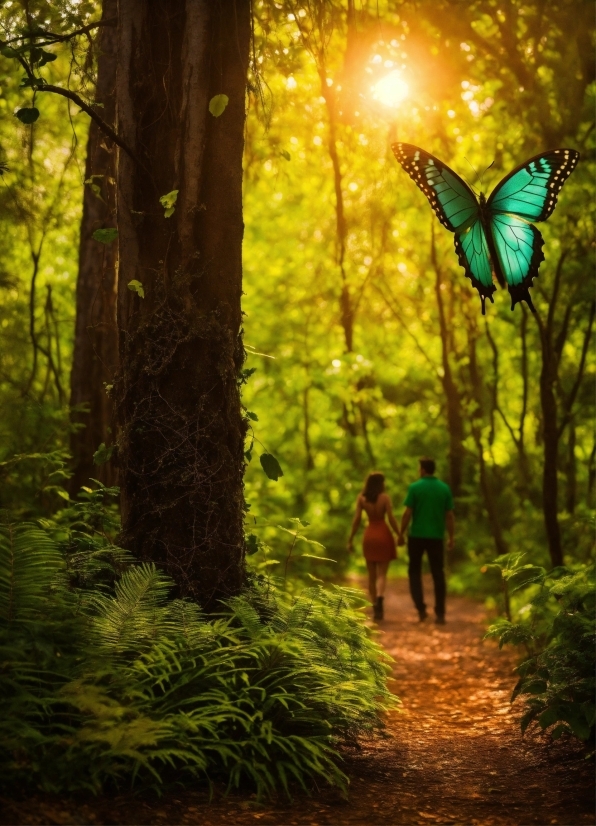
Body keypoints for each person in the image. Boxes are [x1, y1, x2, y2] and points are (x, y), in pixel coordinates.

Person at [398, 457, 454, 625]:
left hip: (416, 536)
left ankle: (421, 610)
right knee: (438, 573)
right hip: (436, 537)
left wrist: (400, 533)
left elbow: (407, 513)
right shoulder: (444, 488)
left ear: (422, 470)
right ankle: (440, 613)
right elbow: (449, 515)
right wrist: (451, 536)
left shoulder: (415, 487)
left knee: (414, 572)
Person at [347, 472, 400, 620]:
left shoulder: (361, 498)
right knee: (382, 574)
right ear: (380, 484)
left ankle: (375, 605)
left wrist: (350, 539)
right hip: (383, 534)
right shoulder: (385, 498)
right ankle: (381, 599)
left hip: (369, 536)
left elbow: (357, 519)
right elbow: (391, 518)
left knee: (372, 576)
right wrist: (399, 534)